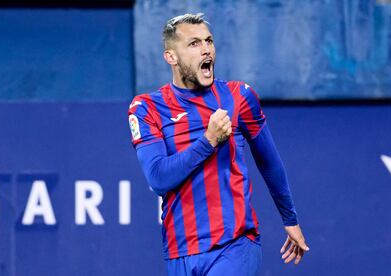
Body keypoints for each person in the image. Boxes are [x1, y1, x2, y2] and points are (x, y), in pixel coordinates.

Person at [128, 13, 309, 276]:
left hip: (235, 244)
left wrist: (289, 218)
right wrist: (208, 141)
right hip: (180, 251)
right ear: (171, 57)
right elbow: (158, 178)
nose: (206, 50)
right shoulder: (147, 108)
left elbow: (269, 161)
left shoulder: (239, 96)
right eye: (193, 44)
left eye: (209, 41)